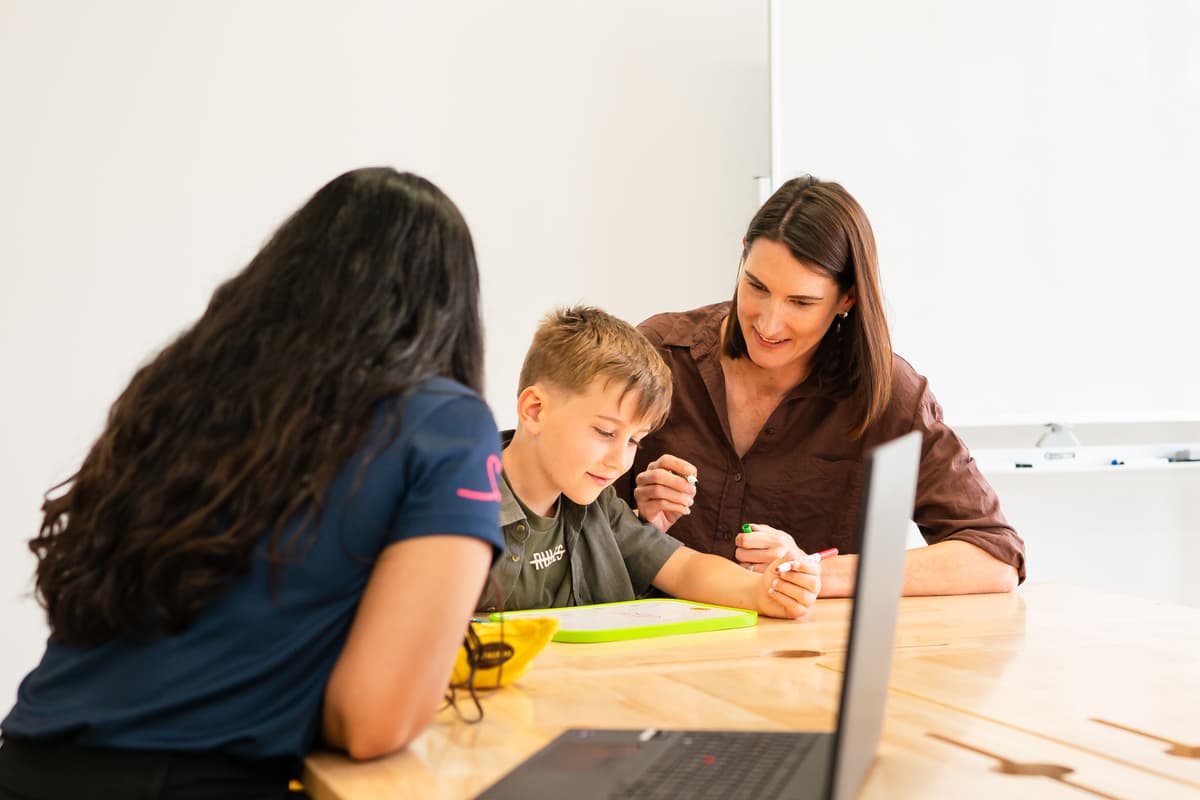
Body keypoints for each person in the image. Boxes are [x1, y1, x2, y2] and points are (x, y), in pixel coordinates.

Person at [0, 167, 504, 798]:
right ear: (451, 306)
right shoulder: (448, 422)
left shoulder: (180, 389)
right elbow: (372, 720)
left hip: (27, 763)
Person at [620, 176, 1025, 597]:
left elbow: (993, 559)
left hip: (807, 656)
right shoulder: (659, 356)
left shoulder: (886, 393)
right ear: (743, 254)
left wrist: (812, 572)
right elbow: (564, 527)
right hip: (655, 652)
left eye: (801, 302)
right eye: (756, 286)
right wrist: (638, 517)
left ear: (847, 299)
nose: (768, 323)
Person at [475, 306, 821, 619]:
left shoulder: (602, 508)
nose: (619, 460)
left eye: (634, 440)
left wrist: (761, 590)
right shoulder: (458, 507)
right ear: (535, 410)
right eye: (605, 431)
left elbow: (685, 568)